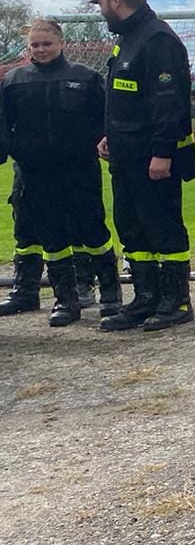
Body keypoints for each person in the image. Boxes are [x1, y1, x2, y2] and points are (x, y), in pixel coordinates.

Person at [90, 0, 195, 333]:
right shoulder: (127, 39)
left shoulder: (157, 38)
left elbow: (168, 102)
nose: (101, 11)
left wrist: (163, 152)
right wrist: (109, 135)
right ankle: (146, 297)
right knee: (131, 226)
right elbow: (126, 97)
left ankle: (176, 301)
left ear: (115, 0)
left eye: (101, 4)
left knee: (163, 226)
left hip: (151, 156)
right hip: (125, 155)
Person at [0, 19, 116, 325]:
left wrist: (105, 140)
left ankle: (111, 295)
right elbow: (3, 125)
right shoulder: (13, 81)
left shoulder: (85, 77)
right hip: (35, 173)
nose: (41, 49)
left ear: (61, 43)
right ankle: (66, 300)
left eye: (47, 44)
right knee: (52, 237)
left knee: (93, 232)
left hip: (80, 170)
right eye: (35, 45)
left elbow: (106, 118)